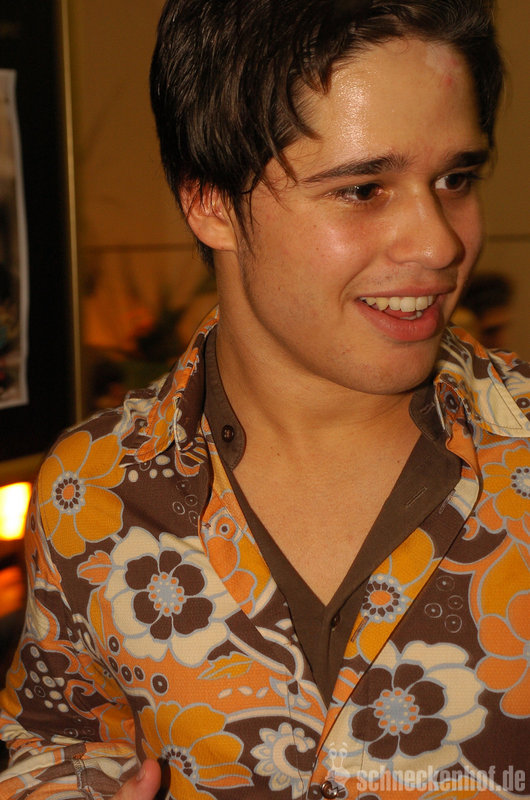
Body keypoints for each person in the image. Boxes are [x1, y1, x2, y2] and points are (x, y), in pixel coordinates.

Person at [1, 1, 529, 798]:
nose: (439, 242)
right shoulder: (93, 489)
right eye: (363, 189)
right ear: (210, 202)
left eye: (455, 179)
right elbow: (54, 737)